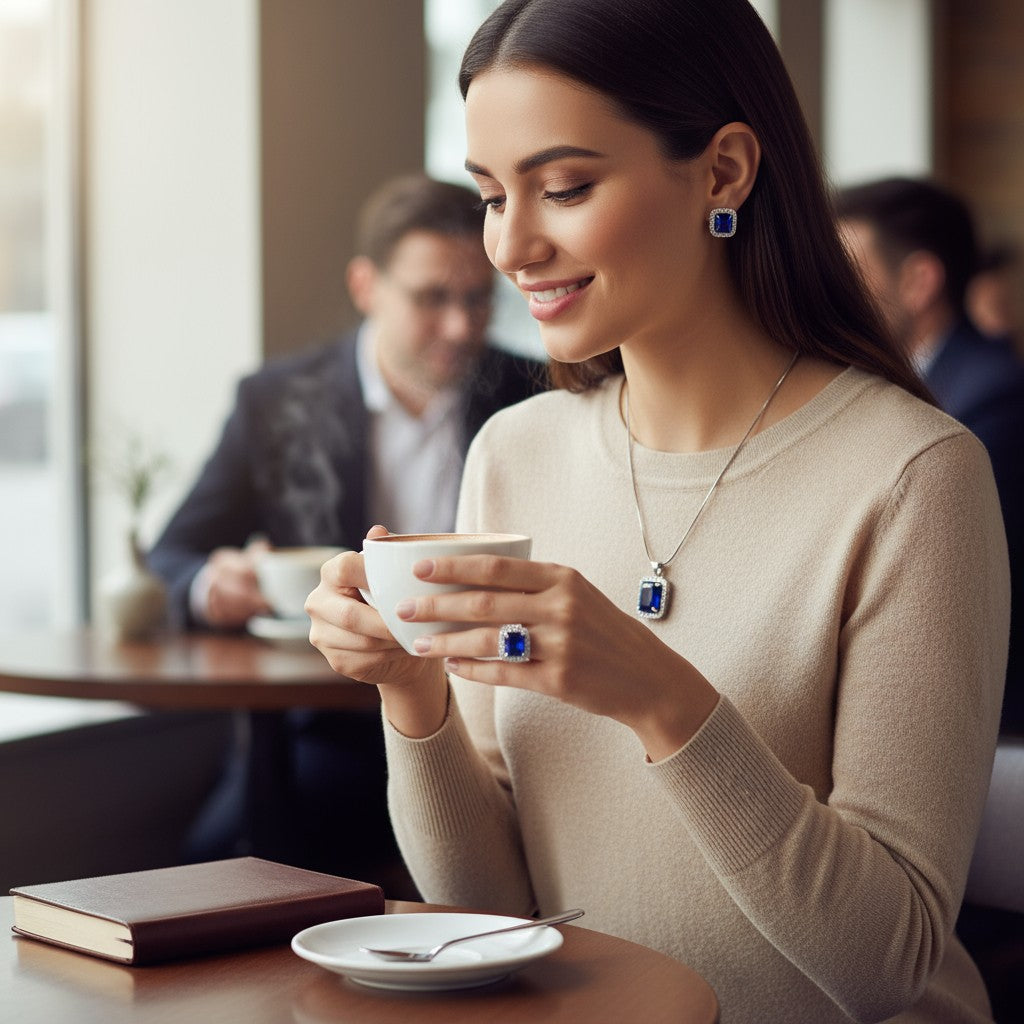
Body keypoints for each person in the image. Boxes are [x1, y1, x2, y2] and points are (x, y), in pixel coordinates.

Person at [305, 2, 1008, 1020]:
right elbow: (493, 921)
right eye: (493, 197)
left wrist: (658, 696)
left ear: (722, 172)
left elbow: (883, 967)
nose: (513, 243)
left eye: (565, 188)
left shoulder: (912, 476)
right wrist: (412, 694)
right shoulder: (516, 450)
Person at [148, 173, 544, 883]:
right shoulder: (277, 402)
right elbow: (172, 553)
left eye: (478, 299)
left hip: (503, 720)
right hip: (326, 730)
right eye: (432, 299)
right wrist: (215, 582)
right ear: (367, 287)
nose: (460, 326)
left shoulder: (537, 395)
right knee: (211, 870)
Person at [836, 177, 1024, 736]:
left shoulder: (993, 398)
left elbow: (958, 589)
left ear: (918, 280)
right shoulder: (894, 385)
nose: (832, 291)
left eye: (848, 271)